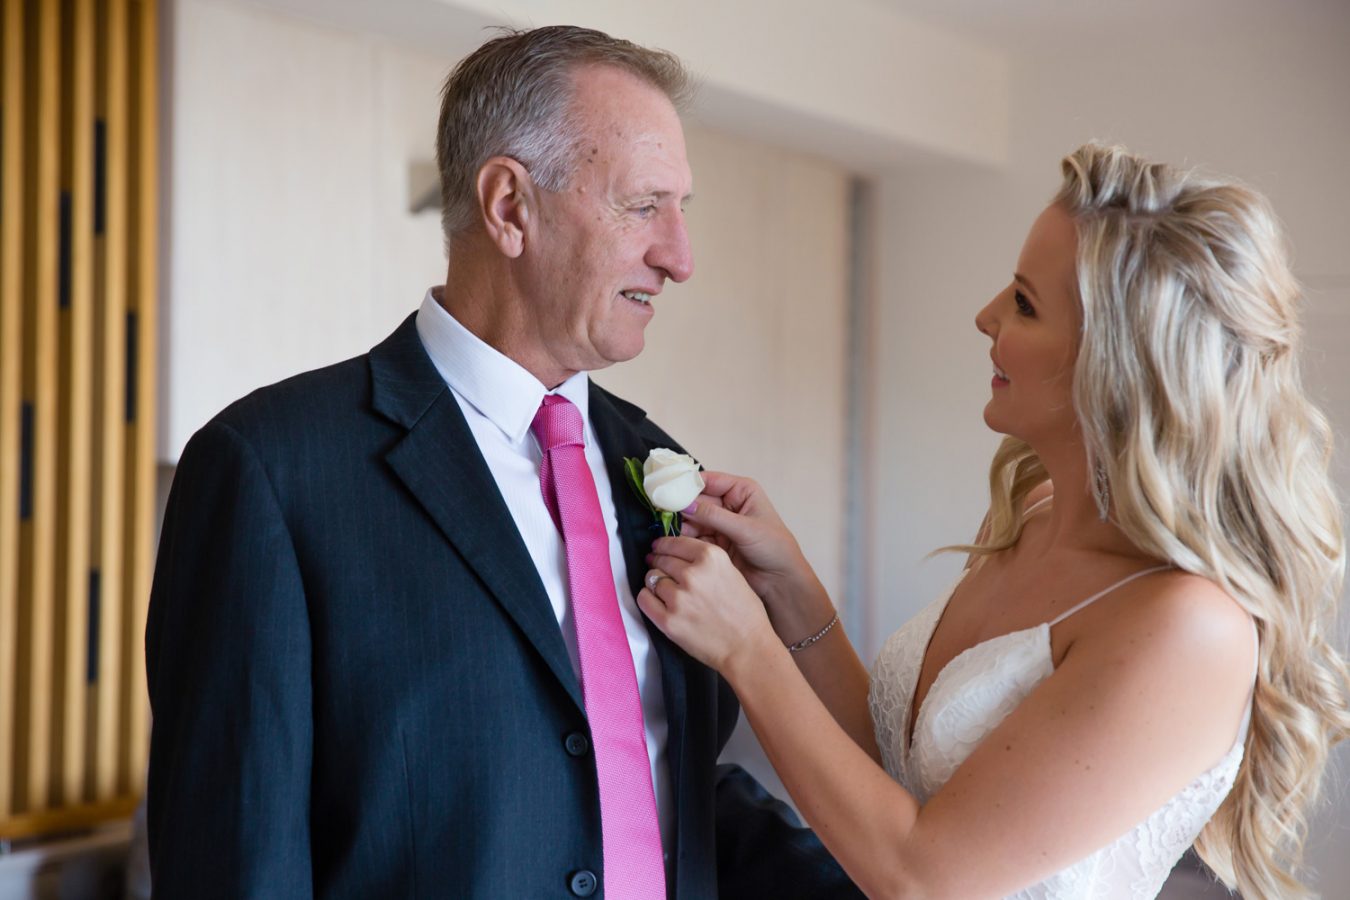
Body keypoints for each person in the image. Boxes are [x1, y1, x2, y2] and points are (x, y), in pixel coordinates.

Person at [145, 25, 858, 899]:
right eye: (644, 206)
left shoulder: (660, 465)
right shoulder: (273, 471)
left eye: (681, 209)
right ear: (510, 206)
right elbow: (235, 852)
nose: (679, 257)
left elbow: (659, 785)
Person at [638, 143, 1350, 898]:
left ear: (1121, 362)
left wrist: (747, 650)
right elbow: (896, 782)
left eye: (1025, 303)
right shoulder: (1035, 513)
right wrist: (789, 590)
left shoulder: (1188, 625)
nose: (985, 317)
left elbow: (923, 877)